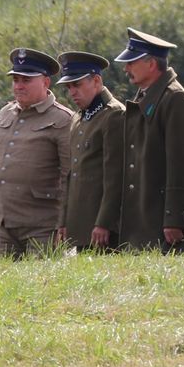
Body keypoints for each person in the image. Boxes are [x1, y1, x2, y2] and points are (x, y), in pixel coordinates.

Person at [0, 48, 74, 258]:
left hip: (43, 227)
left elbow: (71, 177)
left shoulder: (62, 120)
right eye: (16, 80)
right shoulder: (5, 114)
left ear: (45, 82)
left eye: (26, 80)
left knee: (41, 286)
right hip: (5, 226)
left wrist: (66, 222)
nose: (19, 86)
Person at [115, 28, 184, 252]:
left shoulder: (176, 100)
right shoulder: (148, 96)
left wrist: (177, 218)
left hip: (165, 222)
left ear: (151, 64)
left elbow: (182, 165)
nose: (126, 68)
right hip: (148, 218)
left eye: (132, 63)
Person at [56, 51, 124, 251]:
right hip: (81, 224)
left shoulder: (114, 115)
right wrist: (64, 220)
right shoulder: (78, 118)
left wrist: (104, 222)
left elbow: (115, 175)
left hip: (104, 228)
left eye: (77, 84)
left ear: (96, 80)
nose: (72, 92)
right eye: (69, 87)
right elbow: (71, 174)